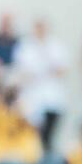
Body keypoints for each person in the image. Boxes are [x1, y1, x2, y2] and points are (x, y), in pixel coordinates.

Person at [14, 19, 69, 150]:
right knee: (33, 134)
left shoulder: (55, 45)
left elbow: (62, 69)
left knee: (48, 136)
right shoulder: (26, 46)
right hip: (33, 97)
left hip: (52, 97)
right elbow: (22, 71)